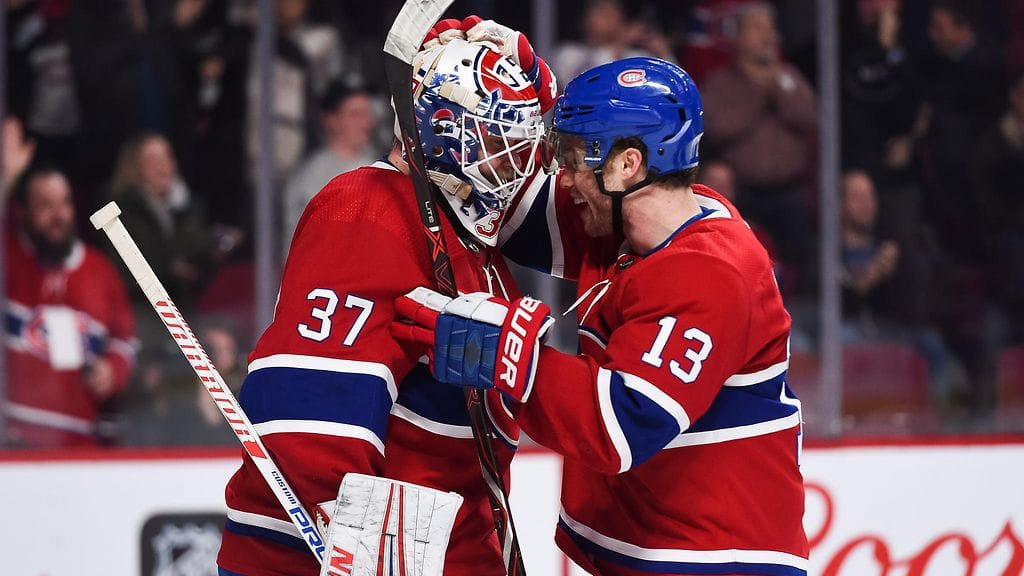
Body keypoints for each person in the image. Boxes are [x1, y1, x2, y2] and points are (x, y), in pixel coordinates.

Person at [396, 57, 808, 575]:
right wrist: (486, 85)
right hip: (661, 553)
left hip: (716, 561)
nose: (561, 176)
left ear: (626, 164)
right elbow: (509, 214)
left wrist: (508, 355)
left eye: (571, 156)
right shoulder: (631, 224)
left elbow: (622, 425)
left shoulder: (711, 273)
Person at [216, 23, 555, 575]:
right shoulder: (367, 209)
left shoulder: (468, 237)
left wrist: (534, 82)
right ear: (448, 139)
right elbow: (309, 419)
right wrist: (350, 555)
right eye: (499, 144)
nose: (518, 166)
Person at [4, 165, 136, 447]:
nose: (58, 215)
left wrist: (112, 369)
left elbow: (125, 340)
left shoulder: (100, 270)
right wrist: (6, 180)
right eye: (45, 205)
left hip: (78, 439)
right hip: (11, 434)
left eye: (65, 203)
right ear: (23, 211)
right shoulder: (8, 262)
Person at [281, 81, 380, 248]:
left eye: (367, 114)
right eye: (355, 114)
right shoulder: (312, 177)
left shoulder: (380, 165)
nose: (365, 123)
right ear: (331, 120)